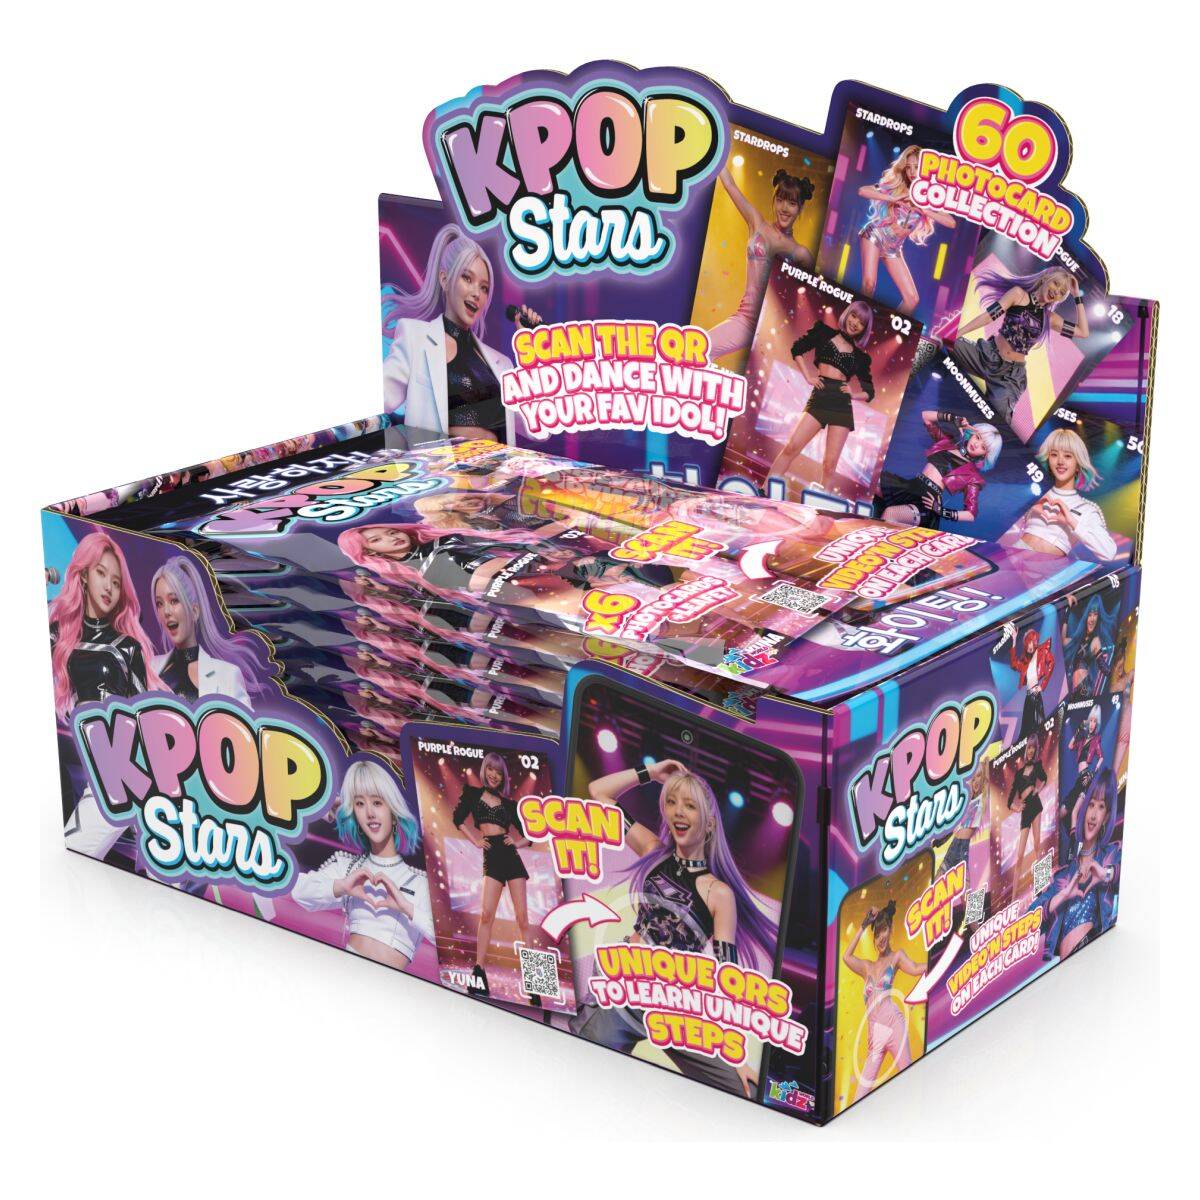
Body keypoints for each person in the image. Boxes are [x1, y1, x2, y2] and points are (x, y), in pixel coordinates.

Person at [570, 757, 776, 1096]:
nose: (679, 811)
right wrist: (650, 773)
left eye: (690, 805)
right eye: (672, 802)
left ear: (709, 823)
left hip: (674, 1003)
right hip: (625, 987)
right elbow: (598, 793)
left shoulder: (719, 894)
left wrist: (735, 1053)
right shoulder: (653, 850)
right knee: (582, 1068)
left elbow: (728, 979)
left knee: (742, 1089)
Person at [381, 224, 540, 441]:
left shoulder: (501, 364)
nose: (477, 294)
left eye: (484, 288)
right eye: (467, 278)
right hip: (443, 461)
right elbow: (381, 397)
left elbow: (537, 430)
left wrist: (533, 352)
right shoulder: (415, 337)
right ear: (445, 279)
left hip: (499, 462)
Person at [294, 759, 433, 971]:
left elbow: (452, 943)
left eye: (377, 802)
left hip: (392, 985)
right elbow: (298, 891)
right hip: (347, 975)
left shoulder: (420, 882)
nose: (369, 813)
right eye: (359, 804)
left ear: (393, 811)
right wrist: (341, 887)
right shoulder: (348, 867)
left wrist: (407, 907)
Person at [951, 266, 1088, 427]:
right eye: (1056, 284)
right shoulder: (1018, 294)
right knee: (945, 342)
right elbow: (989, 316)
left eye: (1061, 292)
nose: (1056, 291)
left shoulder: (1050, 318)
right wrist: (958, 333)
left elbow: (1083, 332)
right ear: (1045, 279)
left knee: (998, 423)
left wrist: (1077, 296)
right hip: (986, 355)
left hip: (1010, 377)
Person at [450, 753, 538, 1002]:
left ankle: (534, 981)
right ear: (484, 769)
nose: (494, 775)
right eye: (491, 769)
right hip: (492, 856)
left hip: (510, 857)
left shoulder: (509, 804)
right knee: (486, 915)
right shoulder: (472, 794)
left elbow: (531, 834)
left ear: (503, 777)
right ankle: (478, 972)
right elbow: (457, 819)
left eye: (499, 772)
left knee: (523, 919)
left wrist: (517, 843)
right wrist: (476, 841)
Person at [707, 166, 815, 360]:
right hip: (746, 320)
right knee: (699, 348)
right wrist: (716, 153)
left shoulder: (801, 254)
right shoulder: (757, 223)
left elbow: (807, 304)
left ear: (800, 208)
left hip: (774, 332)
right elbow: (730, 185)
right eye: (780, 200)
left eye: (791, 203)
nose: (784, 208)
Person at [768, 301, 876, 490]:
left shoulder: (861, 357)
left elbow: (870, 392)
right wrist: (808, 377)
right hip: (820, 396)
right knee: (792, 447)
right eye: (854, 316)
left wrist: (853, 394)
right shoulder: (823, 332)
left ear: (864, 329)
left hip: (841, 405)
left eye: (861, 322)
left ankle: (821, 505)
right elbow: (797, 349)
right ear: (847, 314)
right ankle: (765, 489)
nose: (855, 323)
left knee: (829, 466)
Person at [857, 145, 956, 314]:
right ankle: (858, 318)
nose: (912, 172)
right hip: (875, 234)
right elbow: (862, 191)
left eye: (916, 167)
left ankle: (883, 328)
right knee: (869, 284)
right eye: (909, 167)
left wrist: (925, 210)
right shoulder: (897, 186)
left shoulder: (930, 196)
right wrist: (893, 198)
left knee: (912, 299)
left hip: (894, 248)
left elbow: (951, 222)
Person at [841, 901, 924, 1101]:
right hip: (875, 1038)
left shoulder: (897, 957)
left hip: (894, 1025)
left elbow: (915, 968)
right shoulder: (867, 967)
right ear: (873, 938)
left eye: (884, 930)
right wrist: (863, 926)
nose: (881, 937)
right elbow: (846, 956)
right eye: (877, 934)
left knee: (909, 1079)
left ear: (890, 929)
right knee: (859, 1097)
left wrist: (939, 960)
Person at [1038, 768, 1120, 959]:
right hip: (1065, 966)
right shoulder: (1062, 876)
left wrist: (1106, 874)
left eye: (1101, 807)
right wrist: (1062, 896)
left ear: (1107, 817)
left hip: (1093, 953)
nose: (1093, 815)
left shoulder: (1111, 855)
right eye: (1091, 805)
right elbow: (1030, 918)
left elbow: (1130, 874)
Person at [876, 410, 1002, 528]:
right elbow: (925, 416)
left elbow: (971, 514)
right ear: (972, 433)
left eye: (983, 447)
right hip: (911, 486)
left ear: (985, 455)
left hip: (927, 502)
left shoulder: (973, 477)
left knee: (890, 513)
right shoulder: (947, 443)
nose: (976, 444)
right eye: (978, 437)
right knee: (870, 480)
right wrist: (952, 418)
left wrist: (941, 510)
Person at [1007, 428, 1117, 560]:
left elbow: (1109, 553)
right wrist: (1027, 503)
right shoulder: (1035, 491)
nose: (1060, 461)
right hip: (1012, 557)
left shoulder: (1087, 509)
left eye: (1068, 456)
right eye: (1054, 454)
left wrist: (1071, 521)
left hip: (1046, 568)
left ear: (1078, 465)